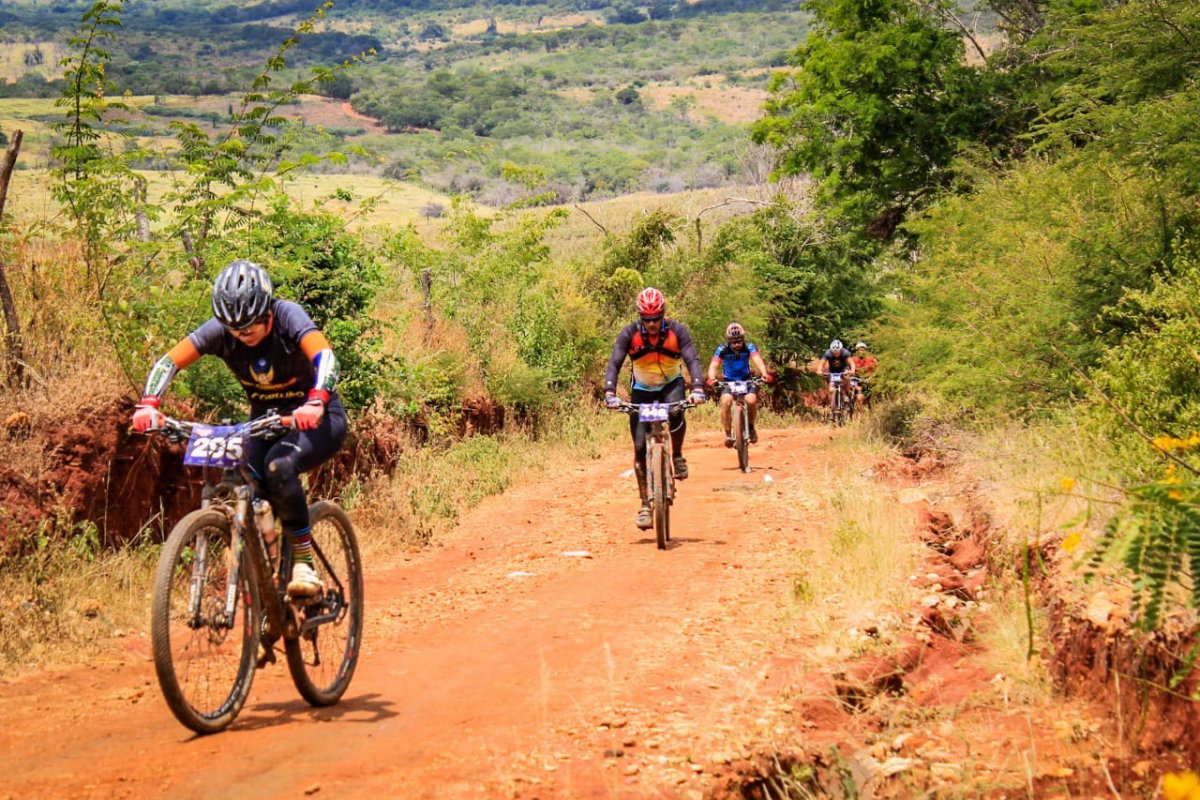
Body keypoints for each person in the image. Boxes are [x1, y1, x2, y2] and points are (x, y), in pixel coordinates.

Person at [131, 260, 347, 598]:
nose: (241, 335)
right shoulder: (222, 330)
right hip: (262, 422)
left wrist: (317, 400)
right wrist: (149, 404)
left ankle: (304, 563)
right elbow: (168, 362)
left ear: (267, 314)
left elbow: (326, 357)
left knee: (280, 466)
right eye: (233, 328)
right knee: (245, 475)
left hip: (316, 419)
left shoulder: (288, 315)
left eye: (248, 327)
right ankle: (267, 573)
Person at [604, 287, 706, 530]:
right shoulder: (629, 334)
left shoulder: (678, 331)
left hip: (671, 385)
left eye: (656, 319)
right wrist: (609, 392)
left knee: (676, 411)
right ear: (640, 316)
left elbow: (692, 360)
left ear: (663, 314)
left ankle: (678, 455)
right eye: (646, 320)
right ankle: (644, 506)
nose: (651, 324)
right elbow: (615, 362)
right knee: (639, 447)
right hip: (641, 390)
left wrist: (699, 388)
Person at [706, 322, 771, 447]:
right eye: (733, 342)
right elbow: (714, 365)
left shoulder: (749, 347)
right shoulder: (722, 349)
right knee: (726, 401)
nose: (736, 344)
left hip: (746, 379)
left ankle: (751, 428)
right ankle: (728, 433)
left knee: (751, 400)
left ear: (743, 339)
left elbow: (757, 360)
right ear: (728, 340)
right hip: (729, 381)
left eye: (739, 341)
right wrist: (712, 378)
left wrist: (764, 373)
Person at [818, 339, 856, 408]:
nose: (836, 354)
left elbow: (852, 363)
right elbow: (821, 364)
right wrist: (819, 370)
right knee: (831, 389)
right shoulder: (828, 353)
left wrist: (852, 370)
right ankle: (833, 405)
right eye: (834, 353)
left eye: (837, 352)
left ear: (841, 350)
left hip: (844, 369)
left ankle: (846, 394)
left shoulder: (845, 353)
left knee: (846, 378)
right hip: (833, 371)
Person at [851, 341, 878, 407]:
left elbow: (878, 369)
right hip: (857, 381)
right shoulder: (852, 360)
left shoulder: (871, 359)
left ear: (866, 351)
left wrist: (873, 376)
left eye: (863, 350)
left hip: (869, 381)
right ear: (856, 351)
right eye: (859, 350)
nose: (861, 352)